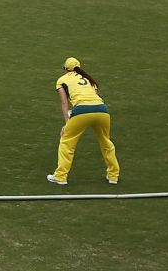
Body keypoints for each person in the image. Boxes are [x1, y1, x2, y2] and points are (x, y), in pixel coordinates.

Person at [47, 58, 120, 186]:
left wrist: (67, 123)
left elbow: (65, 103)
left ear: (65, 69)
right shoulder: (88, 79)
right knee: (106, 142)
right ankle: (113, 176)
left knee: (67, 142)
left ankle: (61, 176)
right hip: (102, 111)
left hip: (81, 111)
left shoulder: (62, 80)